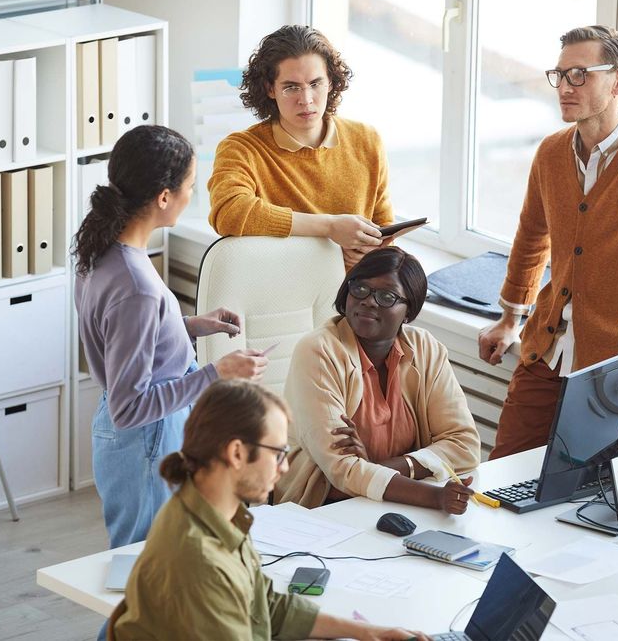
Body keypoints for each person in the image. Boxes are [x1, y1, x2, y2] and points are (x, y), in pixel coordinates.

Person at [477, 25, 618, 459]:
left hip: (613, 371)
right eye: (560, 75)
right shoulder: (550, 153)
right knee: (499, 478)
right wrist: (511, 317)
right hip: (546, 352)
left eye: (580, 75)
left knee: (579, 500)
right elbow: (531, 237)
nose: (565, 87)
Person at [108, 380, 427, 641]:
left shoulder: (218, 514)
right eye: (277, 453)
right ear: (236, 453)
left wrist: (370, 633)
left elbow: (267, 607)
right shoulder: (199, 562)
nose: (285, 467)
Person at [73, 125, 268, 548]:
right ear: (164, 197)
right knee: (146, 568)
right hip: (148, 438)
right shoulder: (136, 285)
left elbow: (125, 339)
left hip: (140, 436)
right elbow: (132, 408)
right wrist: (218, 371)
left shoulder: (99, 251)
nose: (191, 197)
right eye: (190, 187)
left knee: (154, 567)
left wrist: (192, 325)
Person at [275, 248, 481, 512]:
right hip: (324, 506)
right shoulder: (318, 350)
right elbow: (342, 470)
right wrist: (435, 497)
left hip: (396, 501)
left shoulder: (426, 349)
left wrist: (386, 468)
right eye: (360, 289)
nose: (369, 301)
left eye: (387, 296)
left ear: (409, 311)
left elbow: (464, 444)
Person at [209, 24, 393, 268]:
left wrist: (372, 252)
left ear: (331, 81)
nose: (306, 100)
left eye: (316, 84)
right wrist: (329, 227)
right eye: (291, 87)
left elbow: (385, 226)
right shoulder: (241, 149)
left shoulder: (366, 140)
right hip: (280, 294)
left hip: (354, 297)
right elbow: (230, 213)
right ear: (270, 89)